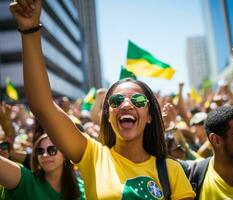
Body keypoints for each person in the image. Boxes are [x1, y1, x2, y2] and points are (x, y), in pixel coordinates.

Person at [9, 1, 195, 199]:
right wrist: (30, 30)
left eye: (138, 100)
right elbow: (43, 107)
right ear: (107, 116)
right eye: (116, 101)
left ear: (149, 116)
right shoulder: (92, 156)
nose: (126, 104)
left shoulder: (171, 171)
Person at [0, 134, 85, 200]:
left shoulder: (82, 188)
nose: (44, 155)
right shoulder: (26, 181)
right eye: (40, 151)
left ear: (65, 155)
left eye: (52, 150)